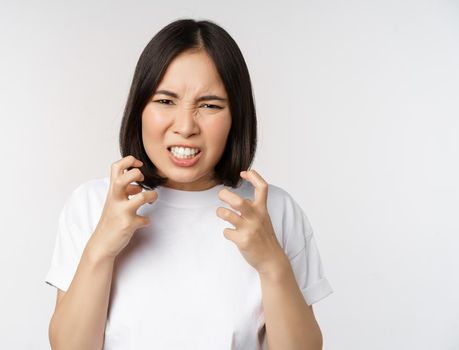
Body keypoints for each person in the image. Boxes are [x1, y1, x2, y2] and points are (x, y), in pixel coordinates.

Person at [45, 18, 333, 350]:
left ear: (235, 116)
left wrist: (272, 264)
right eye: (165, 101)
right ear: (139, 108)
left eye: (209, 105)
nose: (185, 126)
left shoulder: (272, 211)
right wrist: (101, 248)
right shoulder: (93, 204)